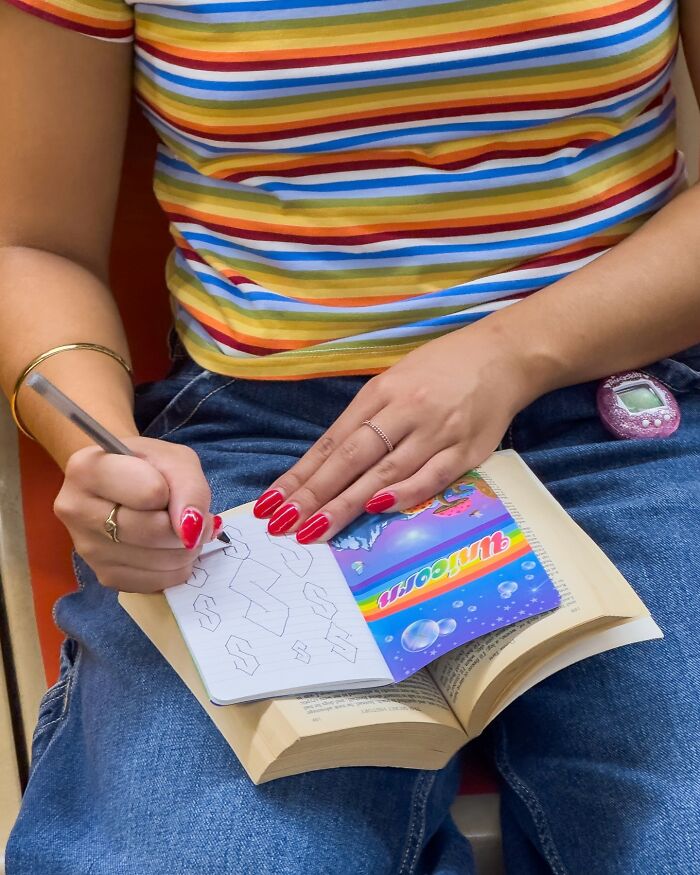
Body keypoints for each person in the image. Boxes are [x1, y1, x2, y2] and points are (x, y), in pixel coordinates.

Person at [1, 0, 699, 870]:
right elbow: (32, 244)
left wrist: (516, 351)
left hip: (618, 402)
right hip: (272, 449)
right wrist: (100, 444)